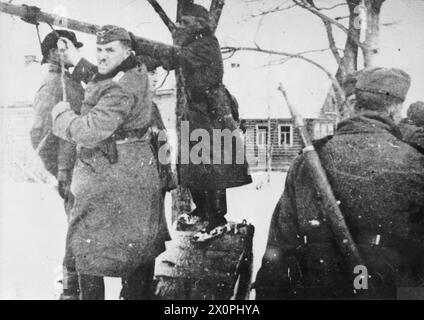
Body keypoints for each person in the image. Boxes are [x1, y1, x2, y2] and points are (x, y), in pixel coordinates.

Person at [255, 68, 424, 300]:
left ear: (354, 103)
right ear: (395, 108)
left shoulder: (310, 159)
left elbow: (281, 245)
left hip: (321, 289)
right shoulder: (416, 161)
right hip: (396, 290)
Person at [51, 25, 168, 300]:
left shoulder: (122, 89)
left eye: (109, 50)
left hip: (115, 174)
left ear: (127, 51)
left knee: (89, 248)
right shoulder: (131, 71)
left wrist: (61, 116)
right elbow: (102, 75)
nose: (102, 56)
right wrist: (75, 59)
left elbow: (89, 131)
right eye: (99, 50)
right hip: (131, 170)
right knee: (135, 248)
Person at [131, 3, 252, 241]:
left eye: (185, 22)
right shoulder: (192, 44)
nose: (179, 26)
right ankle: (203, 210)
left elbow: (175, 56)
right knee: (192, 162)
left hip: (212, 110)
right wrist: (135, 56)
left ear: (198, 24)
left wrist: (137, 41)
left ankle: (217, 218)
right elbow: (169, 59)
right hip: (197, 109)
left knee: (212, 163)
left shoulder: (206, 44)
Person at [30, 30, 85, 300]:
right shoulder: (54, 85)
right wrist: (62, 172)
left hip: (81, 172)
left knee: (84, 231)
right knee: (79, 231)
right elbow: (39, 133)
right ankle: (70, 292)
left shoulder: (69, 82)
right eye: (70, 47)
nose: (74, 52)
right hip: (73, 174)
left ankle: (75, 290)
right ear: (55, 52)